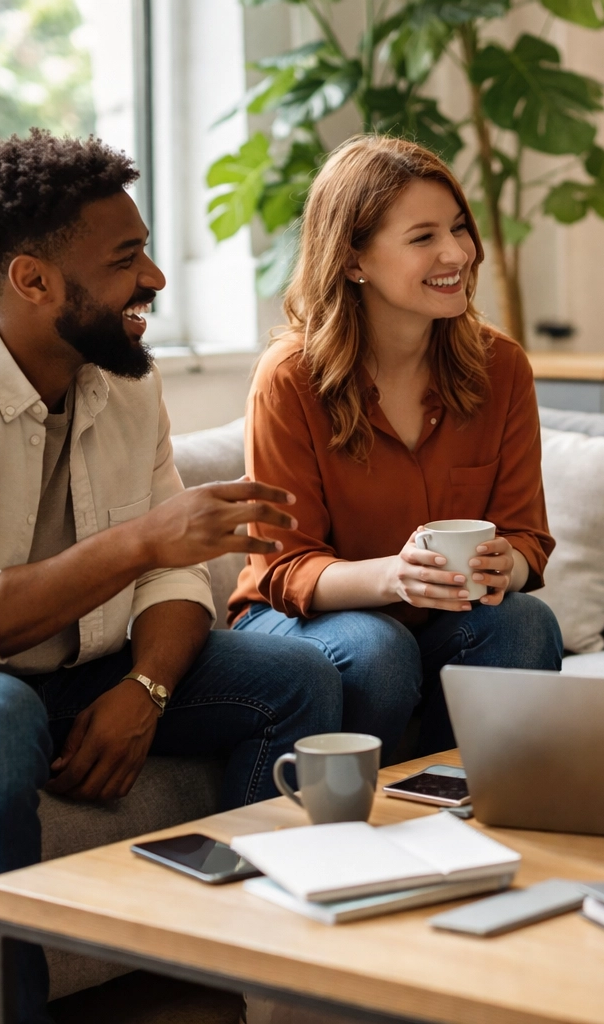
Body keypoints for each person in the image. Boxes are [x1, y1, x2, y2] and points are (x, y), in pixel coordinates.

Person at [0, 131, 342, 1024]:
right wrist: (140, 543)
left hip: (62, 671)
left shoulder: (121, 375)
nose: (155, 280)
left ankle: (264, 994)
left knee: (296, 681)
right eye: (125, 258)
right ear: (33, 280)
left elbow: (174, 581)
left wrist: (146, 685)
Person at [230, 134, 562, 762]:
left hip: (433, 625)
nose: (456, 253)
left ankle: (462, 816)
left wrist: (503, 567)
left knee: (523, 623)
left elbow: (527, 540)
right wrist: (395, 577)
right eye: (422, 237)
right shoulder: (290, 377)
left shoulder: (502, 368)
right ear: (354, 259)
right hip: (298, 621)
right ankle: (344, 835)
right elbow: (284, 569)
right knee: (377, 647)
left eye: (459, 228)